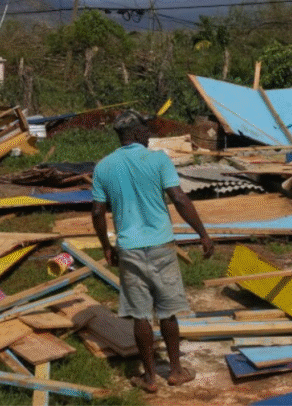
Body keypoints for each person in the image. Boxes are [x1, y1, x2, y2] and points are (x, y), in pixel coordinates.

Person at [91, 110, 214, 394]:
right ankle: (175, 371)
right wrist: (203, 234)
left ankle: (149, 378)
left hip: (129, 248)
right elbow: (179, 198)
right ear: (135, 133)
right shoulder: (158, 160)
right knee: (168, 311)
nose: (149, 134)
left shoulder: (104, 167)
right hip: (161, 245)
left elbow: (97, 212)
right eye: (145, 130)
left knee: (140, 315)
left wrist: (106, 246)